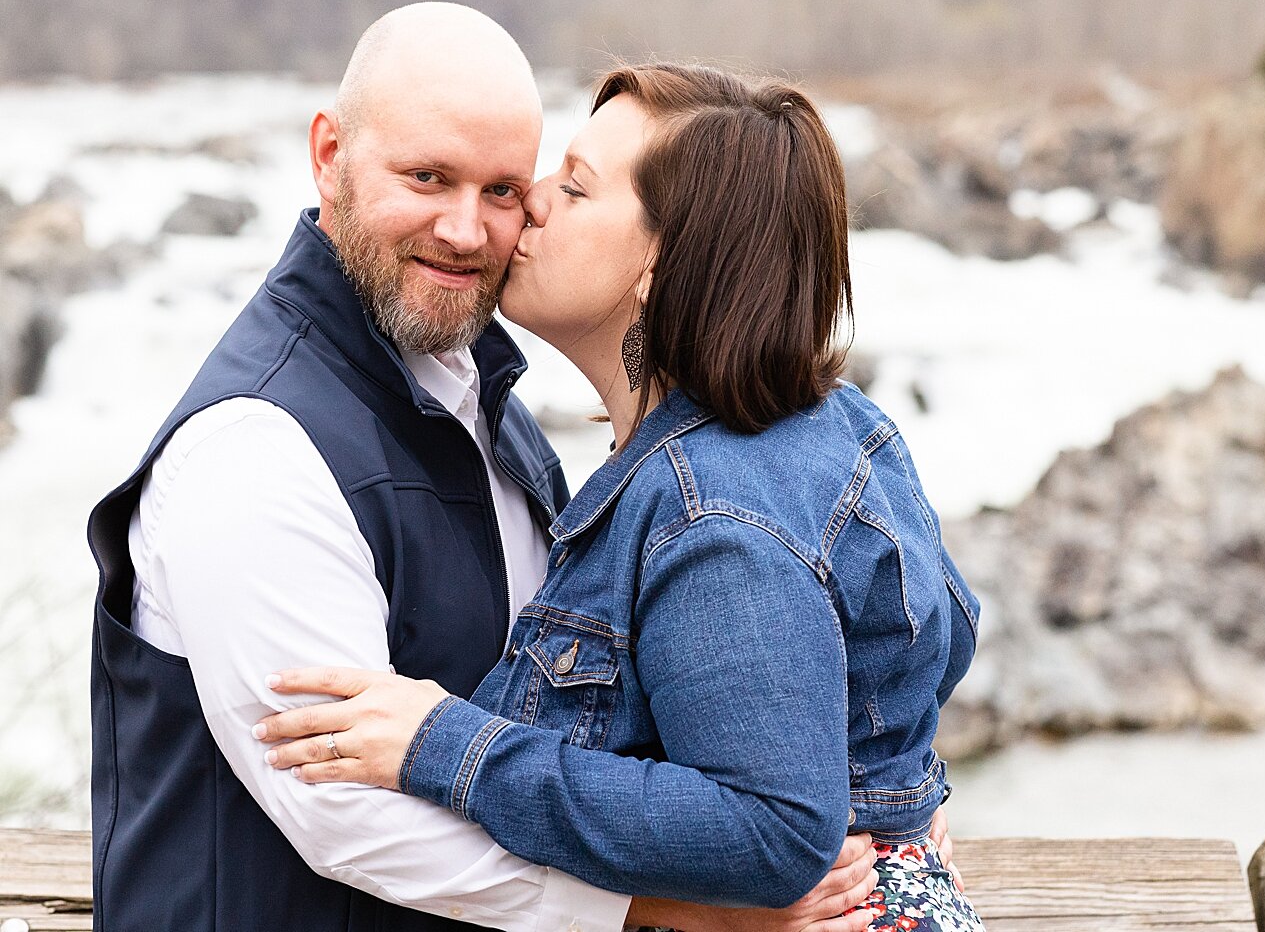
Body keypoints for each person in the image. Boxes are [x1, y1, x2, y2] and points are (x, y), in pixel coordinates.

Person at [86, 4, 886, 932]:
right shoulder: (254, 450)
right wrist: (680, 910)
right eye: (427, 177)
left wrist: (888, 796)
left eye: (507, 189)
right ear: (328, 153)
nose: (467, 230)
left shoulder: (484, 396)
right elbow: (345, 812)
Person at [252, 63, 986, 931]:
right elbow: (940, 630)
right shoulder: (833, 420)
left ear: (661, 263)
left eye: (576, 187)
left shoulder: (711, 506)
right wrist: (892, 803)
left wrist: (444, 742)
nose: (531, 203)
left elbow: (778, 830)